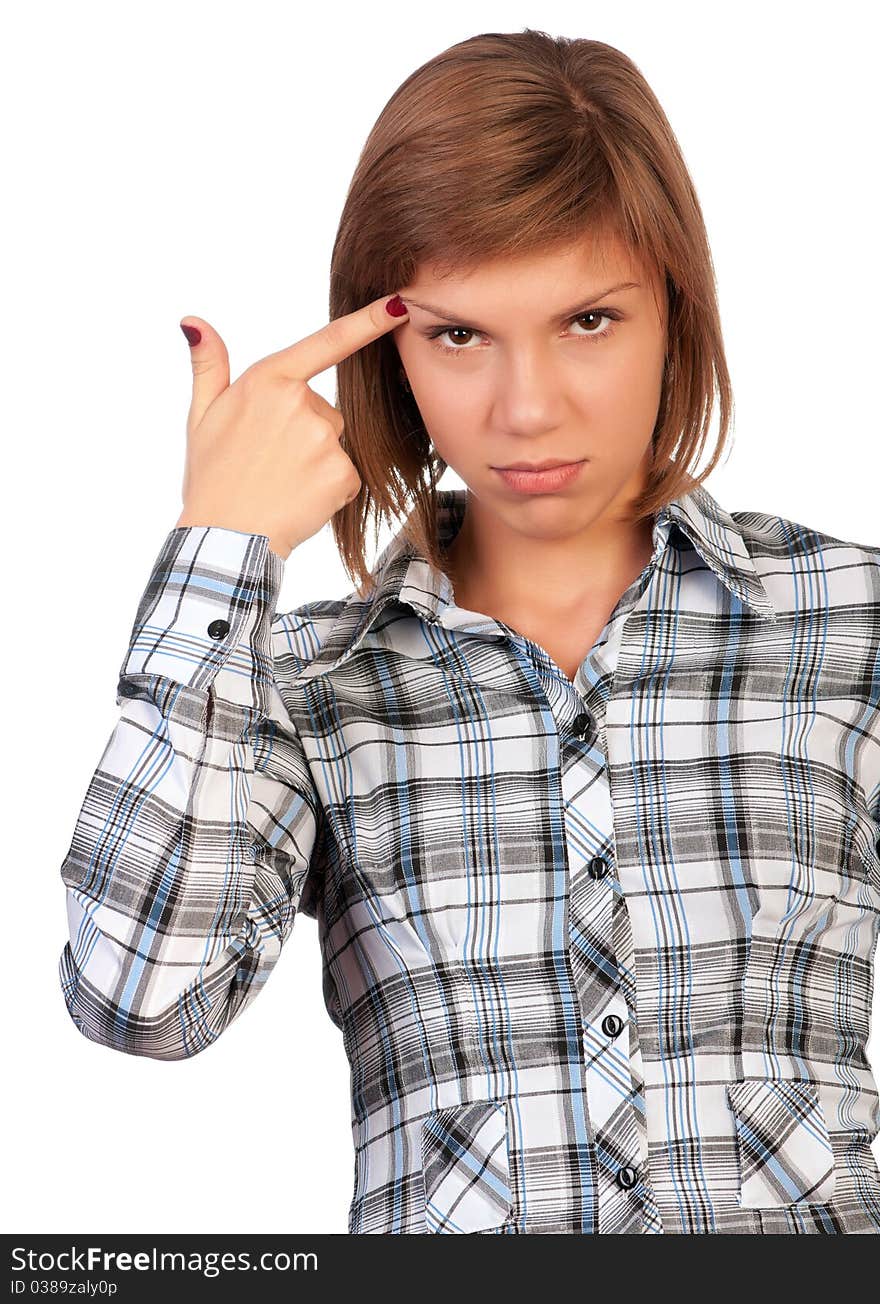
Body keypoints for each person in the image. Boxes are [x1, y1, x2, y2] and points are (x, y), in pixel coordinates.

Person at [57, 29, 880, 1235]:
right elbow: (139, 995)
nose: (527, 406)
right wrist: (221, 545)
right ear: (384, 345)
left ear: (676, 313)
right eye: (458, 334)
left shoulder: (849, 622)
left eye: (589, 320)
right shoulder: (299, 684)